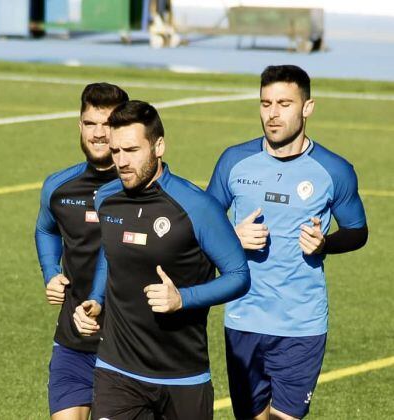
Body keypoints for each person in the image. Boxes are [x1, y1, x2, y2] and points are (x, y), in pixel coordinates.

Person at [206, 65, 368, 420]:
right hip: (243, 317)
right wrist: (231, 237)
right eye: (265, 104)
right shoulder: (234, 161)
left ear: (307, 107)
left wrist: (326, 243)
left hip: (301, 322)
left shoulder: (334, 170)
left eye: (284, 103)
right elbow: (203, 224)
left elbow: (358, 231)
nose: (273, 114)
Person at [73, 100, 250, 419]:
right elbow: (110, 253)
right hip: (117, 370)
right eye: (116, 151)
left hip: (183, 377)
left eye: (131, 150)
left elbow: (239, 275)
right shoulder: (106, 199)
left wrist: (183, 298)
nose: (122, 162)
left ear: (159, 146)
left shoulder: (197, 207)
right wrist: (96, 300)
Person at [35, 83, 129, 419]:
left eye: (108, 125)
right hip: (72, 342)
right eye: (91, 124)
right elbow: (45, 228)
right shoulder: (59, 187)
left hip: (126, 348)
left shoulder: (145, 190)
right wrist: (51, 272)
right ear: (80, 126)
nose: (99, 134)